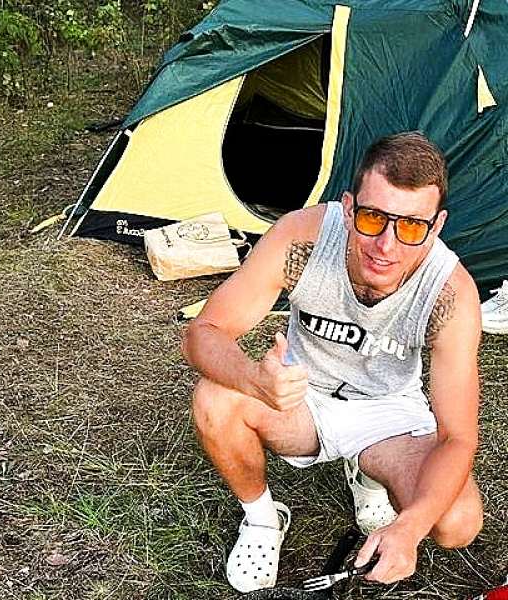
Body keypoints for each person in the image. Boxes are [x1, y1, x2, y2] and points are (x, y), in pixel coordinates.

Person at [182, 131, 483, 592]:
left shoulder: (451, 293)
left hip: (388, 412)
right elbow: (203, 332)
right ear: (347, 207)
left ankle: (368, 471)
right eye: (373, 218)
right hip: (304, 396)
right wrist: (252, 378)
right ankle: (262, 519)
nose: (386, 245)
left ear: (436, 225)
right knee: (215, 398)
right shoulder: (300, 237)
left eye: (410, 227)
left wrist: (410, 527)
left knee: (456, 522)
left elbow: (458, 437)